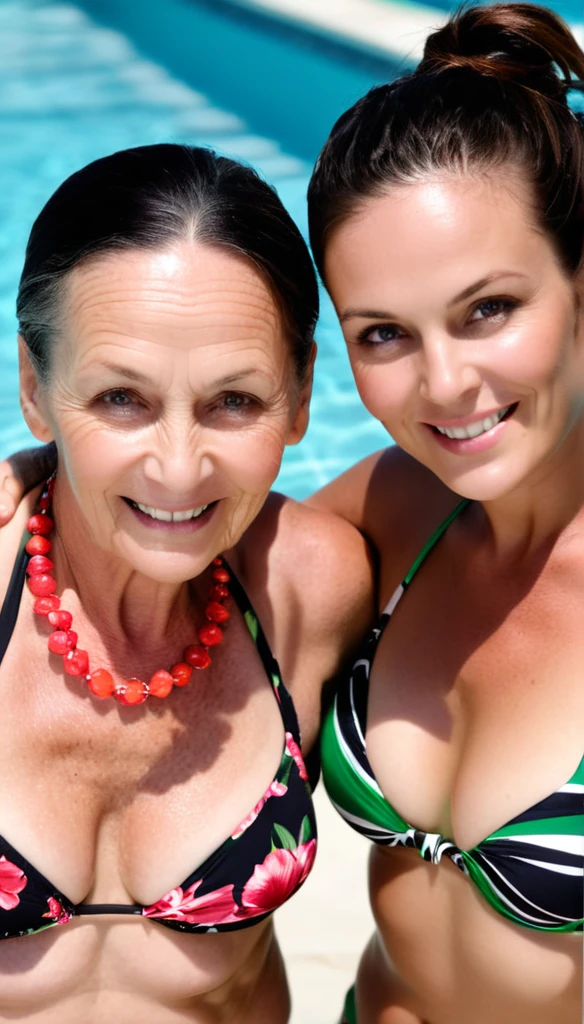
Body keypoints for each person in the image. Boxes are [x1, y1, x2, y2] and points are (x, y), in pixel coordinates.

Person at [0, 143, 373, 1023]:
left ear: (301, 392)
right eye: (122, 399)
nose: (178, 466)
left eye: (235, 401)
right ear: (34, 386)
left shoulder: (312, 589)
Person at [305, 4, 584, 1022]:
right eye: (381, 333)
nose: (443, 385)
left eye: (487, 310)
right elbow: (176, 537)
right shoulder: (394, 510)